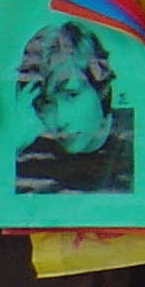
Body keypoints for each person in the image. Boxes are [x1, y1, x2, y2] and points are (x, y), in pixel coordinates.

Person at [13, 19, 138, 195]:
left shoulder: (136, 139)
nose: (60, 120)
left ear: (99, 87)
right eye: (46, 104)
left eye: (72, 94)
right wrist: (14, 145)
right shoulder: (29, 154)